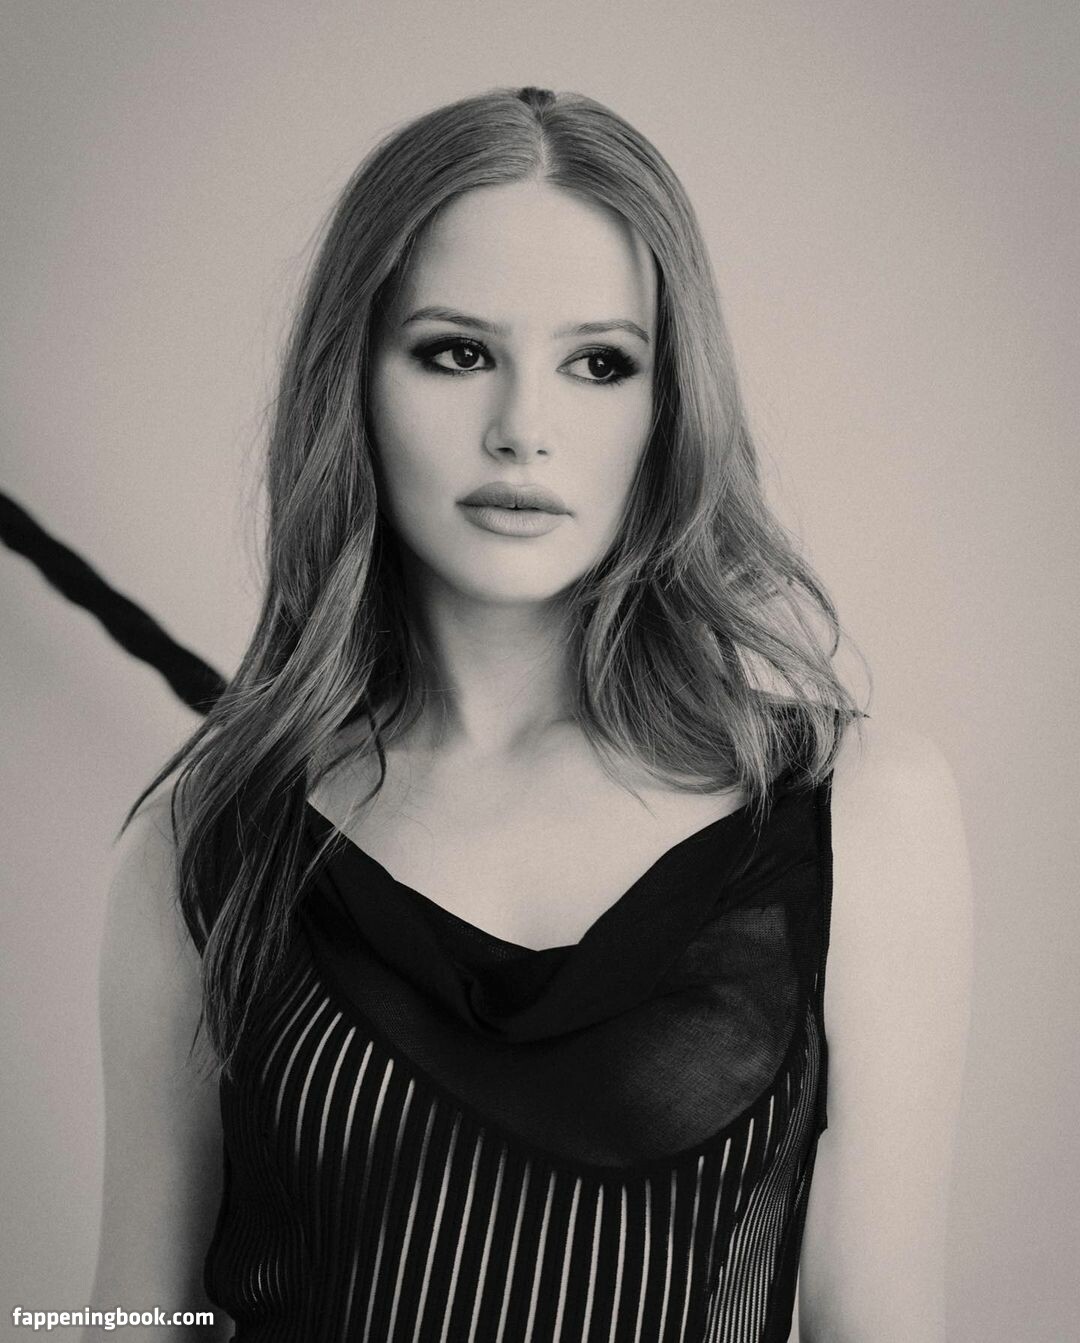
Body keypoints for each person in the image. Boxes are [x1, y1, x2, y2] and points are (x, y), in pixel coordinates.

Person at [86, 86, 972, 1342]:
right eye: (457, 351)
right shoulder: (202, 840)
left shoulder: (857, 815)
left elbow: (878, 1321)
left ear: (667, 407)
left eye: (598, 363)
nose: (522, 431)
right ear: (355, 378)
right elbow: (120, 1318)